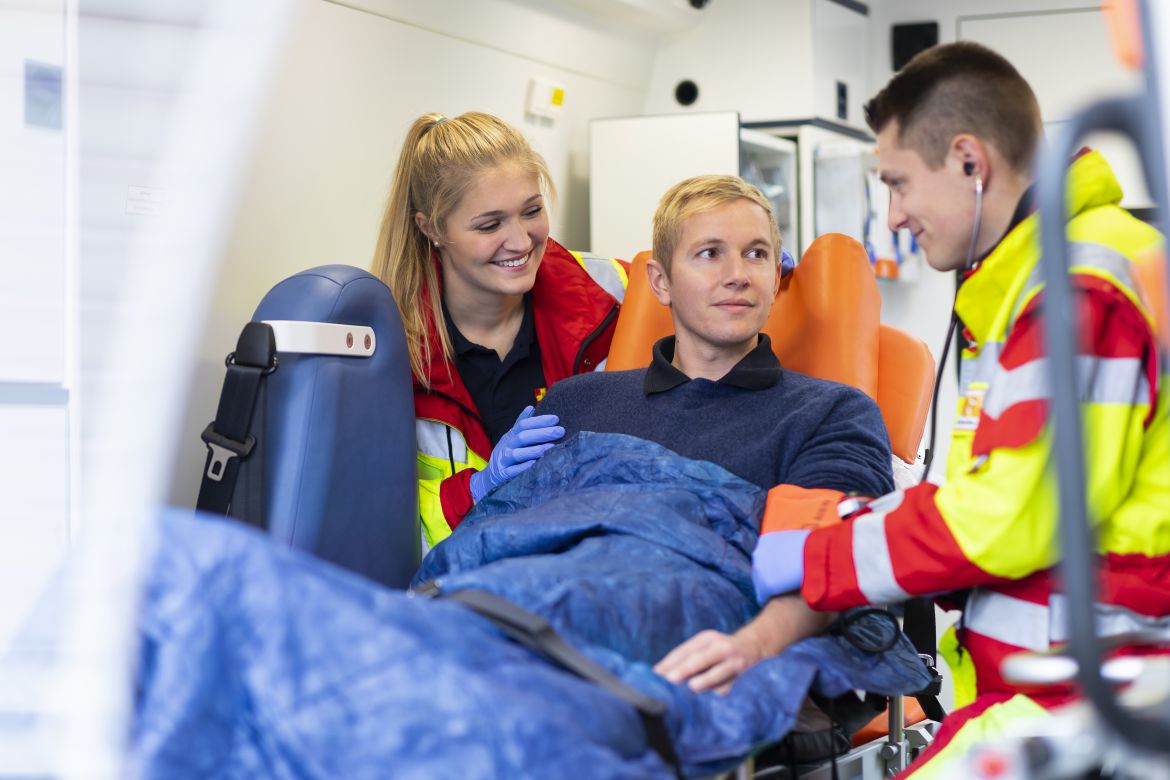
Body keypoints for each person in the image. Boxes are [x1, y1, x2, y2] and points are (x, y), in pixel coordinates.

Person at [747, 42, 1170, 776]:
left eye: (899, 183)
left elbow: (1012, 516)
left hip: (1095, 693)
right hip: (1048, 686)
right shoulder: (1037, 282)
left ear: (971, 162)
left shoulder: (1078, 286)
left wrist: (819, 557)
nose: (895, 213)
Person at [537, 174, 895, 692]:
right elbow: (515, 539)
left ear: (777, 275)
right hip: (558, 655)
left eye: (755, 254)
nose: (737, 275)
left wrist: (748, 649)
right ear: (659, 281)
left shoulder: (832, 413)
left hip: (718, 670)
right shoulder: (577, 403)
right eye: (709, 253)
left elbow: (831, 560)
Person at [370, 111, 628, 550]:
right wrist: (478, 489)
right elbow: (383, 534)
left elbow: (705, 303)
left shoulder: (609, 289)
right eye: (490, 225)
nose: (521, 241)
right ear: (430, 228)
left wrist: (758, 276)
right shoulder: (388, 352)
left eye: (532, 211)